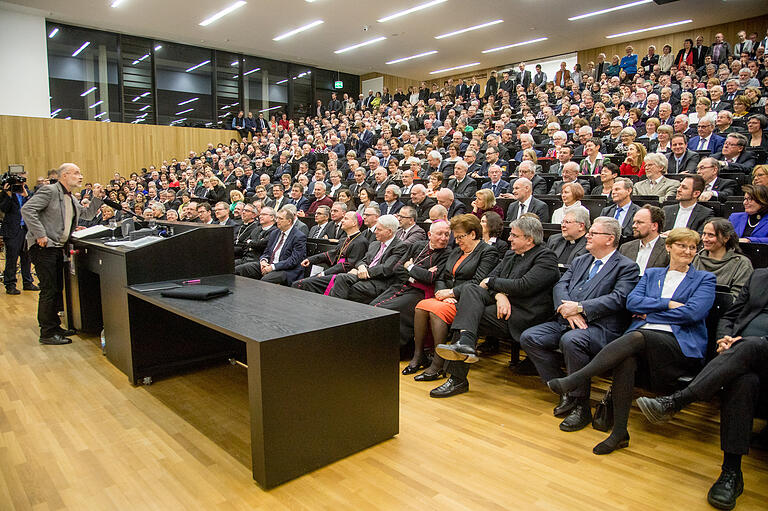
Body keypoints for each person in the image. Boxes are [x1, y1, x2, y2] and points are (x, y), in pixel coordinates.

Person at [546, 228, 715, 454]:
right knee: (626, 359)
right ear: (668, 247)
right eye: (682, 245)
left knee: (636, 336)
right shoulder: (653, 274)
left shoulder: (704, 279)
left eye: (692, 247)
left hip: (677, 345)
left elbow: (693, 313)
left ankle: (575, 379)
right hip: (642, 342)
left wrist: (651, 313)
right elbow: (633, 303)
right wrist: (667, 304)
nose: (688, 251)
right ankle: (619, 433)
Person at [635, 269, 768, 510]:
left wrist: (754, 343)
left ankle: (677, 402)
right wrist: (725, 338)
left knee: (752, 345)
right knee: (743, 381)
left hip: (759, 350)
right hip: (742, 358)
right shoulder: (759, 276)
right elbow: (731, 316)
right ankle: (731, 473)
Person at [519, 217, 640, 432]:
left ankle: (581, 406)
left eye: (594, 233)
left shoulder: (626, 266)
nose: (588, 236)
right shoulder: (581, 260)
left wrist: (581, 307)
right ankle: (565, 389)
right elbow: (560, 284)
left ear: (610, 239)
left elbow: (619, 298)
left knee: (572, 340)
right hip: (566, 319)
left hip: (600, 327)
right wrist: (567, 310)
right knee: (530, 337)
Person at [432, 216, 561, 396]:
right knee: (470, 291)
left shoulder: (545, 258)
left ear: (529, 239)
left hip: (524, 316)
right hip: (502, 309)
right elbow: (485, 284)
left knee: (468, 315)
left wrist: (494, 284)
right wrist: (500, 295)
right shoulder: (510, 254)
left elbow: (522, 286)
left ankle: (458, 374)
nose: (509, 239)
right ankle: (465, 347)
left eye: (514, 236)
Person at [404, 215, 499, 375]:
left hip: (469, 299)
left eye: (460, 236)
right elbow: (443, 277)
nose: (456, 240)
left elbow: (477, 282)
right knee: (421, 307)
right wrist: (442, 293)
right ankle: (419, 355)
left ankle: (438, 362)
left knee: (436, 312)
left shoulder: (488, 252)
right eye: (456, 237)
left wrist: (453, 293)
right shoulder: (457, 251)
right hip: (447, 296)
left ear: (473, 234)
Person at [20, 163, 103, 345]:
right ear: (64, 175)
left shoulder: (71, 198)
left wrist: (96, 197)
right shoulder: (49, 191)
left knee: (57, 288)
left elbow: (87, 215)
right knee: (49, 289)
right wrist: (40, 233)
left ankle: (55, 326)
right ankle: (47, 333)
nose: (80, 176)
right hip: (44, 247)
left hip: (58, 248)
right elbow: (27, 210)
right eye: (76, 173)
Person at [371, 221, 451, 355]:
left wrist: (410, 267)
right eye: (439, 234)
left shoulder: (447, 253)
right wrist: (416, 274)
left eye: (447, 234)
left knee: (386, 310)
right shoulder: (417, 245)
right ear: (429, 234)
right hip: (401, 285)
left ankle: (395, 350)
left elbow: (430, 278)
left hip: (420, 292)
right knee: (372, 306)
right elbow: (398, 267)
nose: (444, 238)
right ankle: (375, 346)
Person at [327, 215, 407, 303]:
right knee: (341, 278)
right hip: (364, 277)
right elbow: (362, 260)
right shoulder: (374, 244)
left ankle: (335, 308)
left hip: (380, 281)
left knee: (350, 288)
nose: (375, 232)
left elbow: (386, 268)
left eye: (379, 229)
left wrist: (364, 272)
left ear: (389, 232)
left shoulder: (400, 246)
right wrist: (361, 267)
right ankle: (334, 307)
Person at [292, 212, 369, 294]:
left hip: (341, 277)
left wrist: (324, 273)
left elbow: (348, 265)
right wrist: (310, 260)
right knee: (299, 283)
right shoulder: (344, 239)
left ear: (354, 223)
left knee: (301, 284)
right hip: (334, 272)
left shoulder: (361, 242)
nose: (342, 221)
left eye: (346, 219)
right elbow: (330, 254)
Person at [693, 218, 753, 298]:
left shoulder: (742, 263)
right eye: (704, 234)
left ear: (726, 238)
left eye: (711, 235)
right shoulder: (695, 258)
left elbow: (738, 297)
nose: (705, 239)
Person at [247, 208, 307, 285]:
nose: (277, 221)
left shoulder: (299, 236)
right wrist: (263, 261)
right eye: (277, 218)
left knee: (265, 280)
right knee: (242, 269)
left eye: (281, 219)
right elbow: (267, 252)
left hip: (286, 270)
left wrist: (273, 267)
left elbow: (293, 260)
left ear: (289, 221)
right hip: (269, 265)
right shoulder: (274, 233)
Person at [1, 173, 37, 295]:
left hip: (26, 230)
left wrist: (26, 196)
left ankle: (28, 282)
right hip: (12, 230)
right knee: (12, 259)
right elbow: (4, 209)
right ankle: (10, 284)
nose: (19, 185)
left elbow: (33, 208)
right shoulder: (5, 194)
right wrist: (8, 195)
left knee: (27, 257)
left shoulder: (26, 192)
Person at [619, 205, 670, 275]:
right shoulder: (625, 248)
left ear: (654, 226)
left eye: (639, 222)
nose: (634, 226)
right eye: (634, 222)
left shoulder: (668, 249)